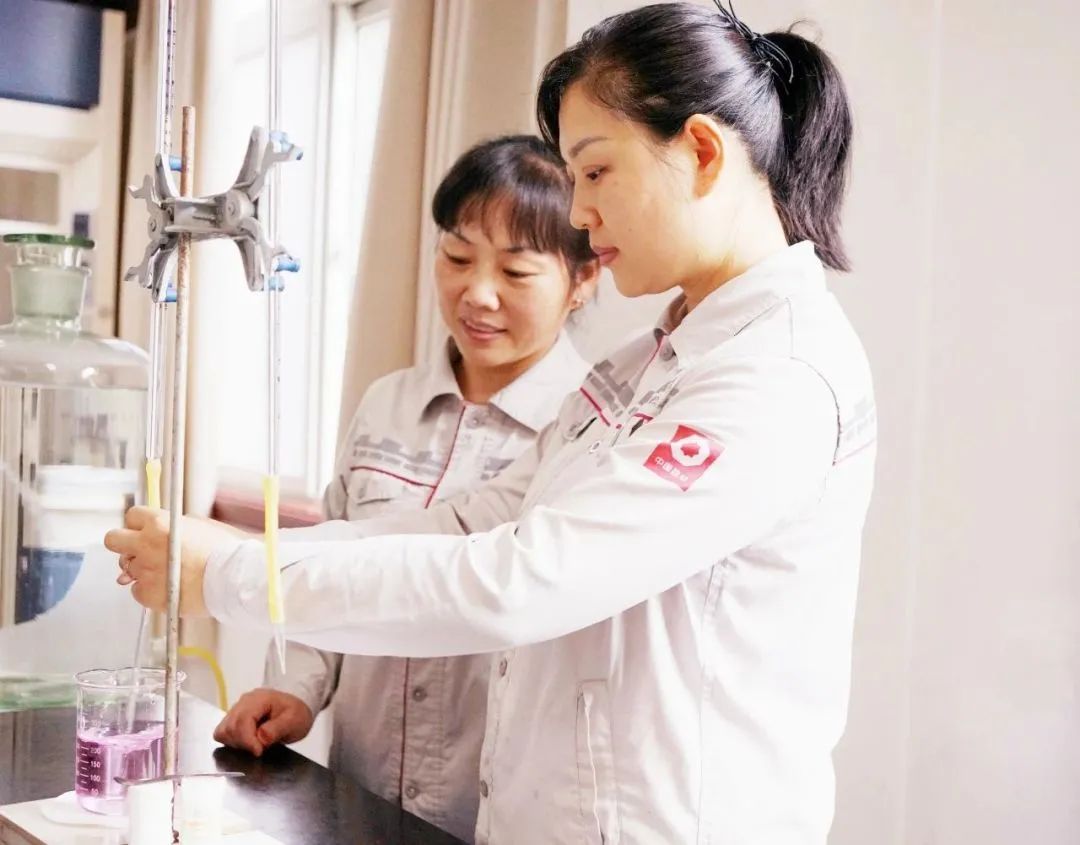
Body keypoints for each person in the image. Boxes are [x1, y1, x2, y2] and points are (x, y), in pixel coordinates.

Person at [108, 4, 877, 842]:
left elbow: (522, 580)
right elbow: (473, 521)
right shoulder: (649, 362)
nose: (580, 212)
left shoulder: (775, 376)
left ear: (701, 151)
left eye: (596, 170)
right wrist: (240, 555)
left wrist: (231, 577)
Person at [209, 134, 598, 842]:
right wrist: (297, 689)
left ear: (584, 279)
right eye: (457, 257)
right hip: (356, 791)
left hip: (492, 814)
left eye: (516, 271)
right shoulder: (387, 403)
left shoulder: (590, 429)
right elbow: (334, 566)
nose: (477, 294)